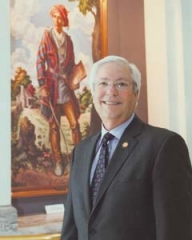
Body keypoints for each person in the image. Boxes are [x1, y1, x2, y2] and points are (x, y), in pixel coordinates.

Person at [61, 55, 192, 240]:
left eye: (121, 84)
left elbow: (176, 230)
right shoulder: (80, 152)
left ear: (136, 93)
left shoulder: (164, 145)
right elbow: (71, 230)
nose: (111, 92)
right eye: (103, 83)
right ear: (92, 91)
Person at [36, 4, 83, 176]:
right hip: (52, 88)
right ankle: (58, 161)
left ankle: (75, 160)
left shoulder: (68, 40)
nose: (57, 20)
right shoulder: (47, 37)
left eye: (60, 17)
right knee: (54, 126)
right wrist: (42, 86)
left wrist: (75, 80)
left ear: (64, 20)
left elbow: (71, 65)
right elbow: (40, 61)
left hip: (66, 88)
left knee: (74, 124)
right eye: (54, 16)